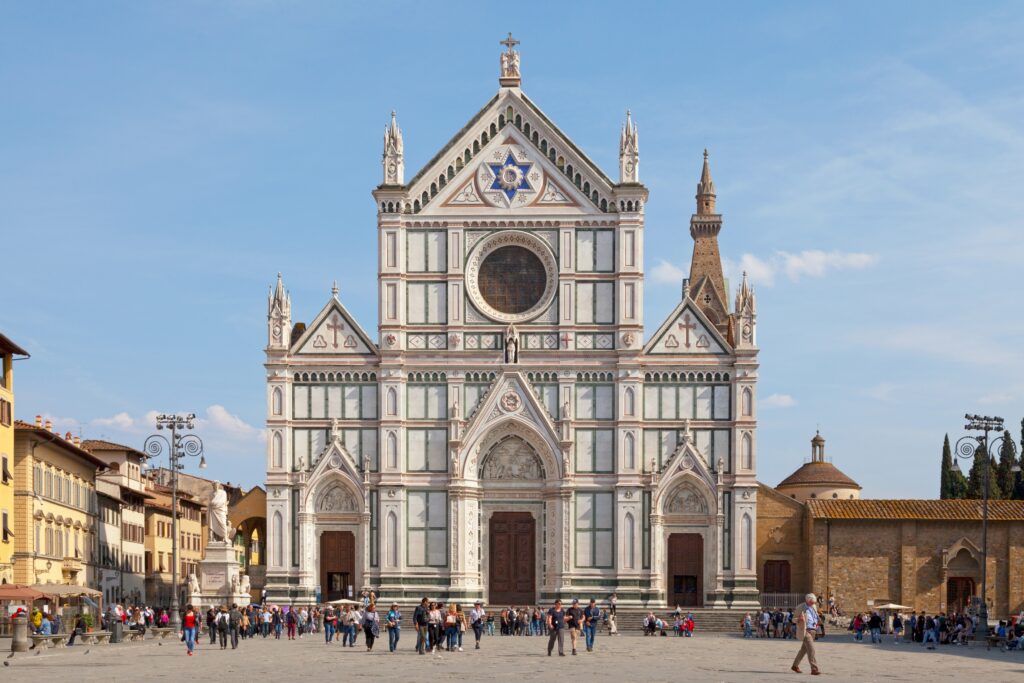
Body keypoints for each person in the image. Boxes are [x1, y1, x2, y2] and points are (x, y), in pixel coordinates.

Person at [791, 594, 821, 676]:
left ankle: (795, 666)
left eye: (814, 602)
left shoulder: (814, 606)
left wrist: (818, 618)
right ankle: (814, 669)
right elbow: (793, 619)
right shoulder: (800, 607)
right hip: (805, 631)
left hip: (813, 630)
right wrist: (799, 619)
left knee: (803, 650)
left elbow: (815, 616)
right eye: (811, 602)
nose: (813, 604)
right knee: (811, 649)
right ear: (807, 600)